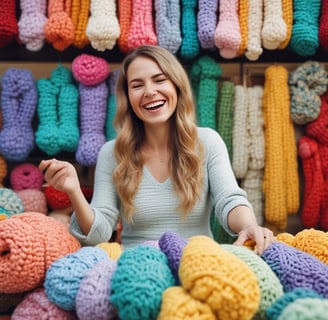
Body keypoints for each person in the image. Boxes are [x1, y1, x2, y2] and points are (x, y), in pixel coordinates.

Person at [39, 45, 274, 254]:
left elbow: (229, 200)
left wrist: (248, 226)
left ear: (177, 85)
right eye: (137, 85)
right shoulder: (111, 153)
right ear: (128, 97)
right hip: (137, 270)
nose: (149, 91)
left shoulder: (208, 142)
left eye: (159, 80)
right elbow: (99, 233)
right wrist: (74, 191)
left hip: (198, 264)